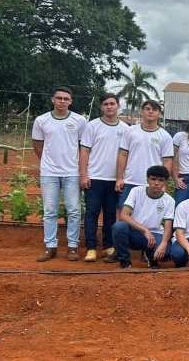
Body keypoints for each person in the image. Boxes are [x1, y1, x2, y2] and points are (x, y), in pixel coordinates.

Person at [33, 86, 88, 262]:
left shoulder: (79, 121)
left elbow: (83, 147)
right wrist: (48, 162)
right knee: (49, 210)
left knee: (74, 210)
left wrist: (80, 169)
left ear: (71, 101)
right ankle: (50, 246)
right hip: (49, 173)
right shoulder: (41, 121)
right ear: (53, 99)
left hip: (72, 172)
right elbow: (38, 146)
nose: (62, 101)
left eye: (66, 99)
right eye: (59, 98)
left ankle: (72, 246)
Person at [79, 93, 128, 262]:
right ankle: (91, 248)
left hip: (115, 179)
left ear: (118, 106)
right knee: (92, 213)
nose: (109, 106)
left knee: (110, 213)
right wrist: (84, 174)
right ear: (101, 107)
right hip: (94, 177)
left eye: (112, 103)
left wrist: (121, 177)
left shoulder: (125, 128)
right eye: (106, 104)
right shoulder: (92, 126)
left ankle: (108, 246)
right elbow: (84, 151)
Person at [109, 166, 175, 269]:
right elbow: (124, 215)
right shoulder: (136, 191)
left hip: (155, 233)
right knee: (118, 227)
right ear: (147, 179)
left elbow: (168, 226)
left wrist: (163, 243)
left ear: (165, 182)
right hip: (135, 232)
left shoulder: (169, 200)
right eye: (153, 179)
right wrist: (145, 230)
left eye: (161, 180)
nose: (156, 183)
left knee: (165, 252)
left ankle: (151, 257)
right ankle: (125, 262)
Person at [115, 100, 174, 210]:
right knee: (125, 217)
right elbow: (123, 155)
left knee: (148, 217)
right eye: (147, 109)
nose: (150, 112)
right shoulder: (130, 131)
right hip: (130, 181)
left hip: (152, 184)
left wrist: (163, 184)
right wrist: (119, 178)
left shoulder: (165, 136)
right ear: (142, 112)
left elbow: (167, 161)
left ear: (159, 113)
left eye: (154, 109)